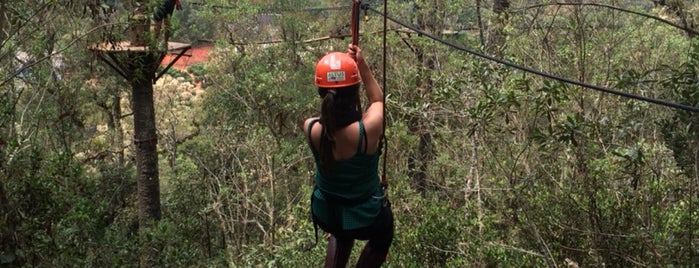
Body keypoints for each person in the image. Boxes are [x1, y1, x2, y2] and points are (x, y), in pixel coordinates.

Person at [304, 44, 394, 267]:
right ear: (355, 92)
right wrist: (361, 65)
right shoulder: (368, 129)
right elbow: (378, 100)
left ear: (321, 94)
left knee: (341, 230)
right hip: (366, 215)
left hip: (327, 212)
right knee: (383, 235)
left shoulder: (310, 128)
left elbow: (332, 123)